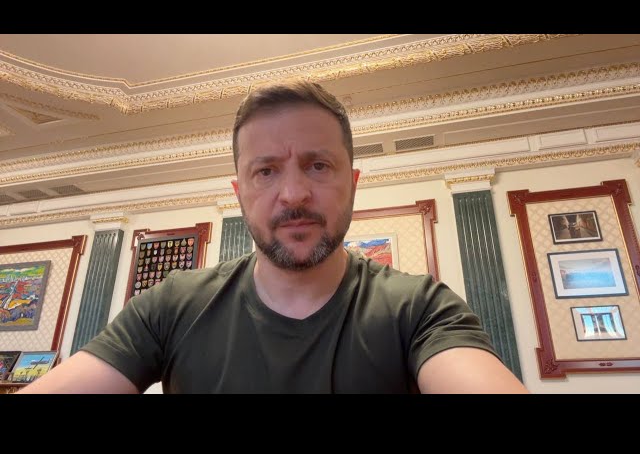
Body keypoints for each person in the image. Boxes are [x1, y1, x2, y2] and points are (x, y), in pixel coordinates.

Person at [18, 80, 529, 394]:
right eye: (265, 171)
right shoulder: (170, 306)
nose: (293, 193)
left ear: (352, 183)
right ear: (239, 193)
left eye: (318, 165)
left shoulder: (421, 310)